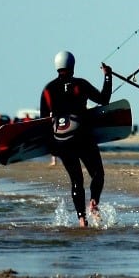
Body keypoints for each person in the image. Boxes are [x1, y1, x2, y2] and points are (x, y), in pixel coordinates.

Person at [40, 50, 113, 228]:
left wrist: (51, 147)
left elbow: (44, 121)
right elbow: (104, 100)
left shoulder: (48, 89)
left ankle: (81, 219)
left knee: (76, 181)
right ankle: (94, 202)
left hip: (62, 140)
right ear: (73, 65)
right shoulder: (80, 84)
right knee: (97, 174)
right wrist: (108, 77)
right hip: (83, 137)